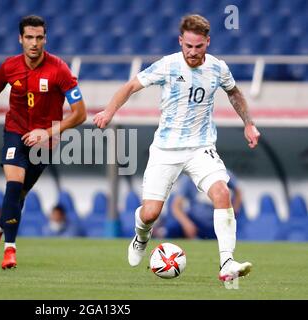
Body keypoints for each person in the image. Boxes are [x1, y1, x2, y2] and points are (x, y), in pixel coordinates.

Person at [94, 14, 260, 282]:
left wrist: (249, 124)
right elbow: (131, 86)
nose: (193, 53)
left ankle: (227, 262)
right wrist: (109, 111)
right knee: (151, 213)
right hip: (166, 150)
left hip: (200, 147)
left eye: (199, 46)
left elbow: (234, 92)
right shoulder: (168, 65)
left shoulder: (218, 68)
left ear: (208, 42)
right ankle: (141, 237)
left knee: (221, 193)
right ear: (180, 41)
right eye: (188, 46)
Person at [0, 15, 87, 269]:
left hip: (45, 142)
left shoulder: (60, 70)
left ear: (45, 39)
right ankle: (10, 251)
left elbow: (80, 114)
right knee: (13, 187)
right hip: (15, 131)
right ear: (20, 39)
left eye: (39, 38)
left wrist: (47, 132)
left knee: (19, 196)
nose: (34, 43)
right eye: (29, 37)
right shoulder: (9, 67)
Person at [164, 170, 243, 239]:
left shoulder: (223, 173)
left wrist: (233, 212)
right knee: (173, 229)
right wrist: (187, 224)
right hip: (196, 222)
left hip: (217, 222)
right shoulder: (189, 178)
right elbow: (176, 206)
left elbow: (238, 192)